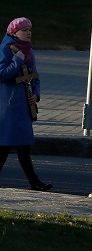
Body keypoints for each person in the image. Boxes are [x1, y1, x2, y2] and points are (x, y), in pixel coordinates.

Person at [0, 17, 52, 191]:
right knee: (5, 145)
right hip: (7, 107)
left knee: (22, 146)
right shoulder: (6, 50)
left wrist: (36, 96)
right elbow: (2, 75)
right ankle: (34, 182)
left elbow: (35, 76)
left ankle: (34, 182)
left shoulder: (29, 51)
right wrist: (17, 61)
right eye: (24, 30)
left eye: (30, 29)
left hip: (23, 106)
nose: (28, 33)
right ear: (14, 33)